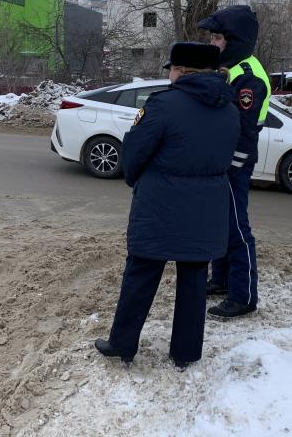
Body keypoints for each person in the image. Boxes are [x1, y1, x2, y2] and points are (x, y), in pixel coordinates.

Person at [94, 42, 240, 367]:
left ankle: (122, 342)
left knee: (142, 273)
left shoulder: (162, 104)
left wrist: (137, 180)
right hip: (208, 205)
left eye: (172, 68)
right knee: (194, 279)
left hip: (159, 204)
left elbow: (133, 153)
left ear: (181, 71)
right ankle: (185, 353)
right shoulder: (229, 108)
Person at [197, 5, 271, 319]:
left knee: (237, 228)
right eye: (212, 37)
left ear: (235, 40)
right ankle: (223, 280)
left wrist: (231, 165)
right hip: (220, 161)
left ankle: (243, 296)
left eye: (218, 38)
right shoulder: (230, 68)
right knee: (220, 223)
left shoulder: (249, 77)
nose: (213, 43)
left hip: (235, 163)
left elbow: (243, 130)